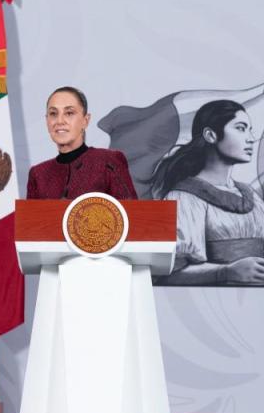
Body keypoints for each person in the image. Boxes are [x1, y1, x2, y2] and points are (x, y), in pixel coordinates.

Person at [147, 99, 264, 285]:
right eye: (241, 128)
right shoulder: (183, 198)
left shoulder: (252, 197)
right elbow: (167, 273)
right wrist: (226, 272)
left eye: (250, 129)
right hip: (211, 300)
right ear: (211, 135)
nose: (251, 138)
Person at [27, 86, 138, 200]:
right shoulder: (38, 174)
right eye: (53, 113)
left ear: (86, 120)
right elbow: (30, 217)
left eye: (69, 113)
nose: (59, 121)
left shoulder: (108, 162)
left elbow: (131, 214)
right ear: (47, 120)